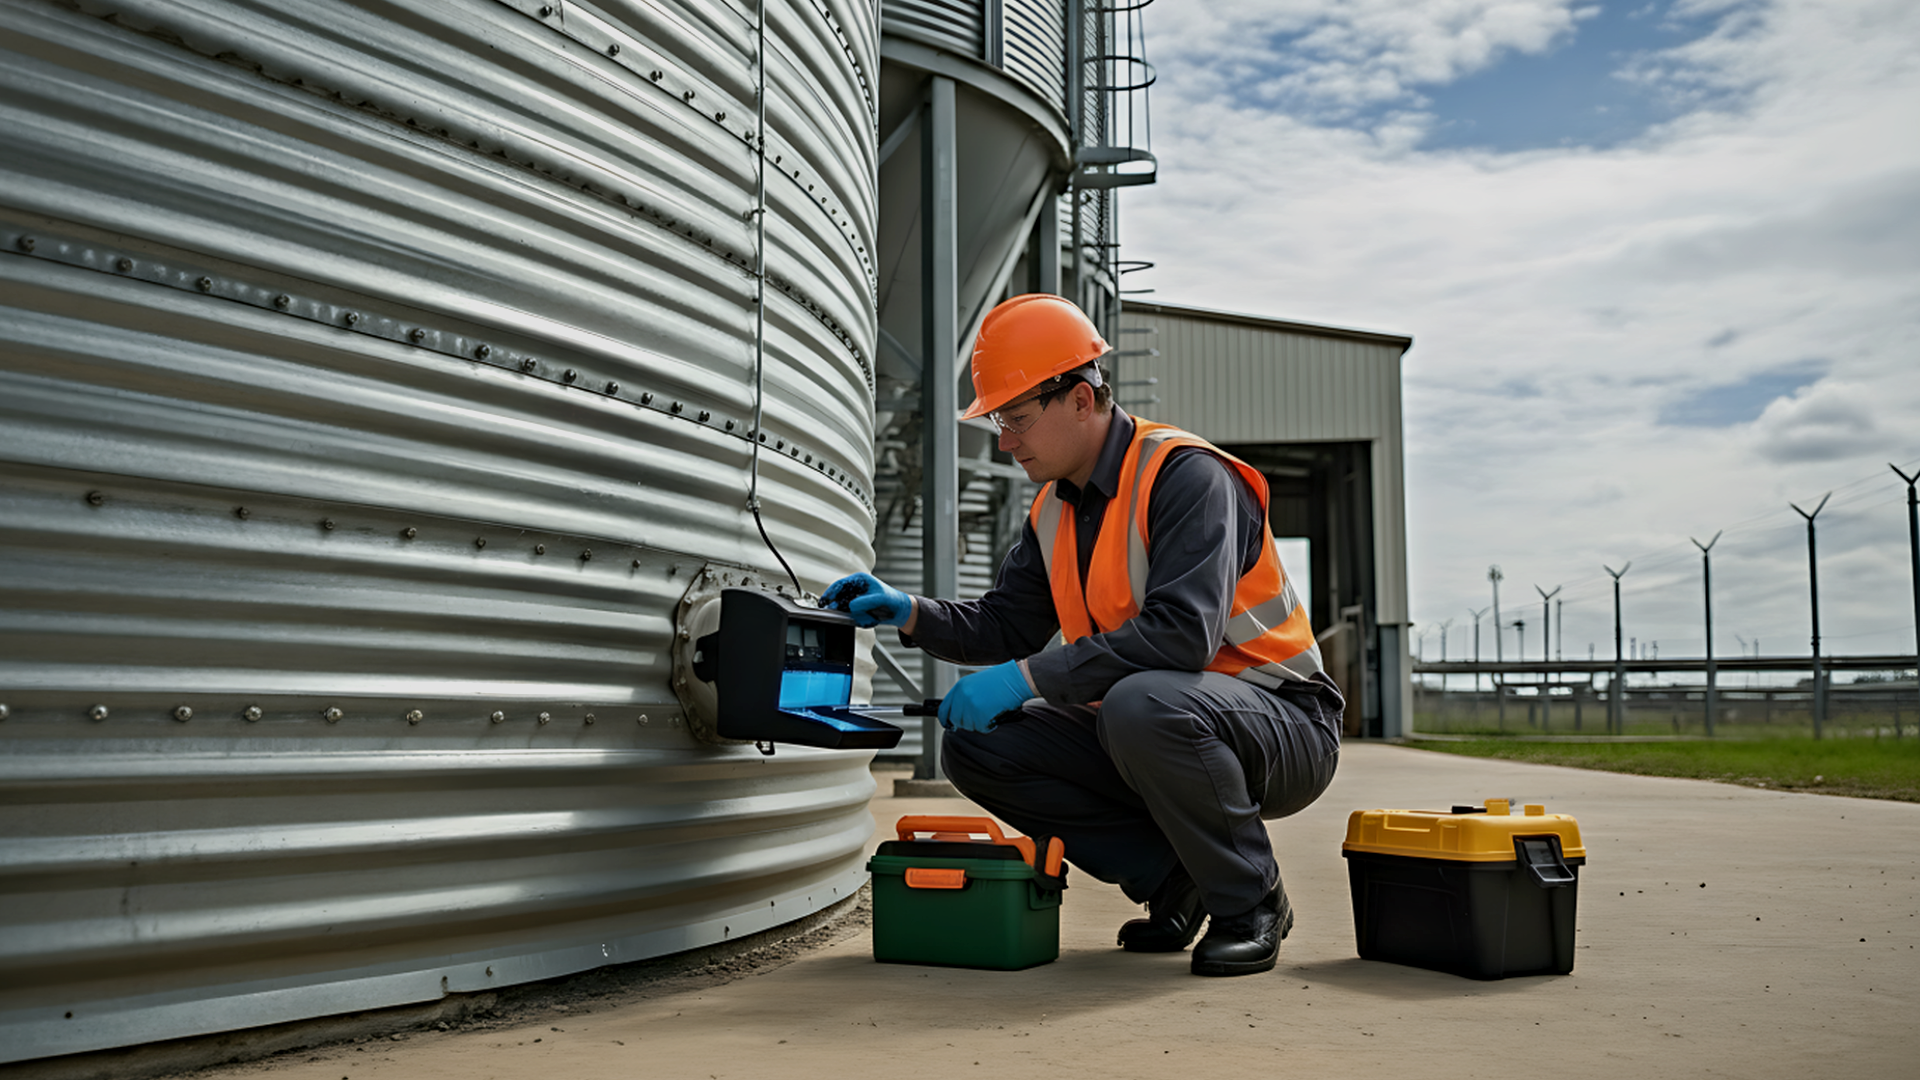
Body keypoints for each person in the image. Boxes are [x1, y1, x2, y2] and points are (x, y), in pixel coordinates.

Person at [824, 294, 1343, 977]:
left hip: (1283, 724)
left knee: (1140, 704)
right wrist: (908, 611)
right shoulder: (1053, 510)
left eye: (1016, 418)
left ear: (1078, 398)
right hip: (1154, 724)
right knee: (977, 744)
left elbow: (1181, 638)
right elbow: (1007, 625)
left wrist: (1027, 679)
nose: (1005, 442)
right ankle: (1173, 878)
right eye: (999, 421)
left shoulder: (1187, 478)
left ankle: (1251, 900)